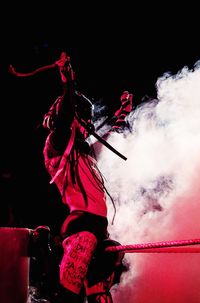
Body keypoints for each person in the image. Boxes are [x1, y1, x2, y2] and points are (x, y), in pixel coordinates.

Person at [42, 51, 133, 303]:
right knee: (69, 298)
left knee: (110, 263)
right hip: (81, 227)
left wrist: (122, 113)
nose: (90, 126)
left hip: (97, 227)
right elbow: (64, 120)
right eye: (86, 120)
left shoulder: (85, 149)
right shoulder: (58, 143)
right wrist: (68, 83)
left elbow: (109, 133)